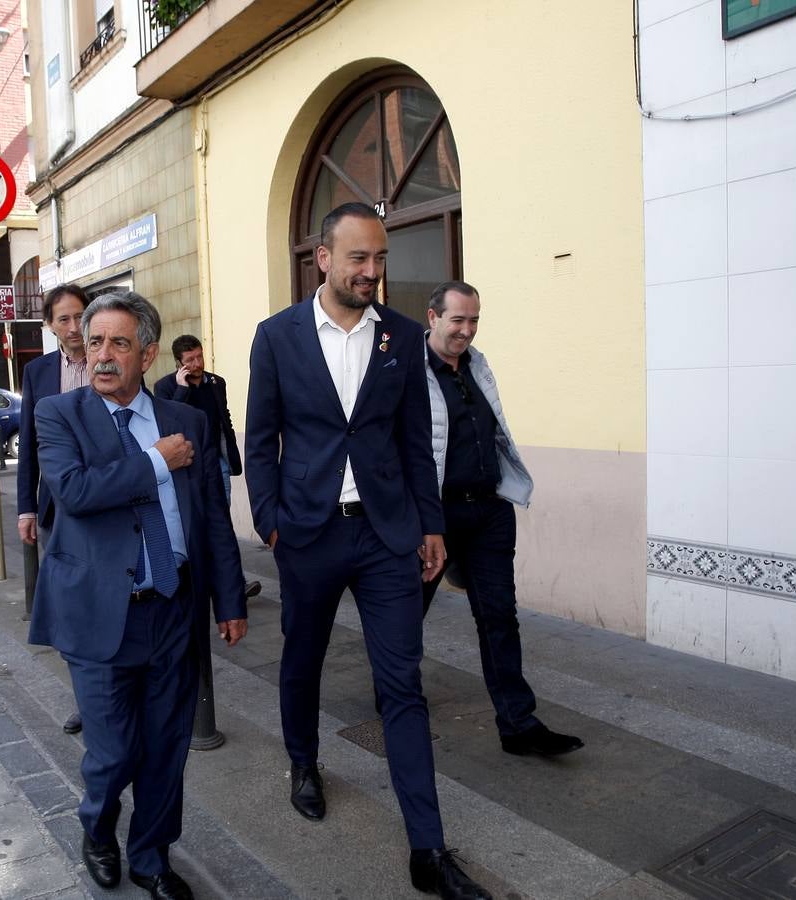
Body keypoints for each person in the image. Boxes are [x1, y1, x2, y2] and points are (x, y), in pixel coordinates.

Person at [245, 202, 489, 900]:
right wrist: (271, 522)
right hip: (311, 534)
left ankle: (428, 848)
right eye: (359, 258)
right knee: (302, 660)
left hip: (387, 536)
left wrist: (430, 525)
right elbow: (260, 441)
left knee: (402, 683)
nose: (373, 271)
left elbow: (417, 441)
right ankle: (303, 762)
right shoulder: (278, 337)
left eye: (380, 259)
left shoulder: (404, 338)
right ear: (324, 258)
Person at [28, 290, 248, 900]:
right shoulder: (60, 414)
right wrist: (155, 461)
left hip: (173, 608)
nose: (102, 355)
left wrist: (229, 600)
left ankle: (151, 858)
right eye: (94, 342)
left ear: (147, 353)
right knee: (114, 751)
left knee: (167, 748)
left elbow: (210, 519)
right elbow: (73, 491)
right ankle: (98, 828)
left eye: (118, 343)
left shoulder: (189, 422)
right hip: (100, 615)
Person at [421, 281, 582, 758]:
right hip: (436, 514)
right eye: (457, 321)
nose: (466, 331)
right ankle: (397, 699)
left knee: (499, 616)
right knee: (407, 614)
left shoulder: (478, 364)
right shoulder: (408, 373)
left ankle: (518, 724)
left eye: (473, 321)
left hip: (489, 509)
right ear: (433, 318)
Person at [17, 283, 90, 735]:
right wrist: (26, 507)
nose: (73, 327)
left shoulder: (111, 357)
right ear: (50, 325)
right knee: (70, 607)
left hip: (108, 501)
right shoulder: (37, 372)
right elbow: (30, 444)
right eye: (62, 319)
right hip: (56, 509)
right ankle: (85, 698)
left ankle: (113, 688)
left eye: (79, 315)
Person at [154, 335, 262, 600]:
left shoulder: (216, 382)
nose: (197, 363)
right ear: (179, 362)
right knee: (189, 522)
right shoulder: (165, 387)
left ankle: (235, 582)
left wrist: (231, 455)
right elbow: (169, 425)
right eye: (190, 360)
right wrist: (182, 390)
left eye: (199, 356)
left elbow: (223, 416)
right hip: (185, 468)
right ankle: (195, 580)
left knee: (220, 522)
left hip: (216, 463)